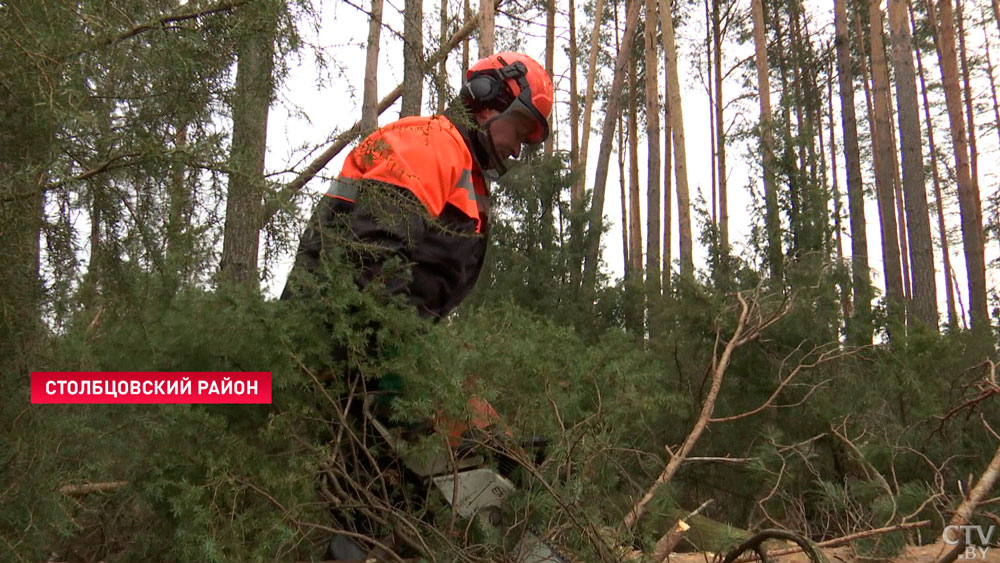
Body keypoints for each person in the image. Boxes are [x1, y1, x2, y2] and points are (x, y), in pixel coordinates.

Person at [281, 52, 554, 560]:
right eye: (521, 129)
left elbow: (413, 304)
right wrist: (426, 386)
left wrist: (456, 394)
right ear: (487, 102)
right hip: (336, 348)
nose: (520, 147)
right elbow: (369, 269)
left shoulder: (465, 179)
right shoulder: (427, 144)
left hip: (374, 353)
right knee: (358, 505)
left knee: (396, 498)